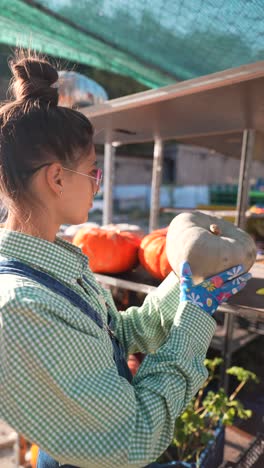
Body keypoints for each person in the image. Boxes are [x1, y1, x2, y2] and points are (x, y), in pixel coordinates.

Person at [0, 53, 251, 468]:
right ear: (58, 178)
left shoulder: (50, 271)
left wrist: (187, 286)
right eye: (93, 173)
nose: (97, 186)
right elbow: (135, 436)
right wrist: (196, 316)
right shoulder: (24, 309)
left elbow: (120, 332)